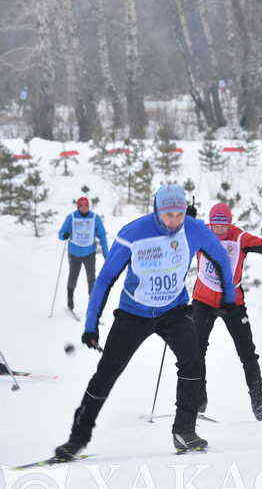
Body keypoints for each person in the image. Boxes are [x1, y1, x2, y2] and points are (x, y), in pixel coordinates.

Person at [53, 185, 236, 459]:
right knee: (106, 373)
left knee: (193, 361)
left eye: (179, 214)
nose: (174, 221)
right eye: (168, 215)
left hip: (173, 311)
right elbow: (104, 279)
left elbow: (220, 256)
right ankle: (77, 439)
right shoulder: (133, 233)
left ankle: (184, 431)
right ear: (156, 211)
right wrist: (91, 324)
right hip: (133, 313)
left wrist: (228, 297)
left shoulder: (194, 229)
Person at [188, 202, 262, 421]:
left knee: (247, 352)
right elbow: (177, 239)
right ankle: (198, 399)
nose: (218, 229)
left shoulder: (239, 238)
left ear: (229, 223)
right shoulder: (202, 233)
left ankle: (259, 404)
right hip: (203, 300)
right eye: (215, 225)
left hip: (233, 303)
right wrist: (188, 221)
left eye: (223, 225)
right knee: (195, 350)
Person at [58, 197, 109, 313]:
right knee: (73, 276)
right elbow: (61, 234)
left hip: (89, 253)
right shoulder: (71, 217)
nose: (84, 208)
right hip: (74, 253)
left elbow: (102, 236)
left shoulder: (95, 218)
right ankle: (70, 298)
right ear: (78, 207)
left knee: (91, 279)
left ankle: (92, 303)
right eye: (82, 206)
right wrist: (64, 235)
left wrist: (106, 253)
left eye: (86, 205)